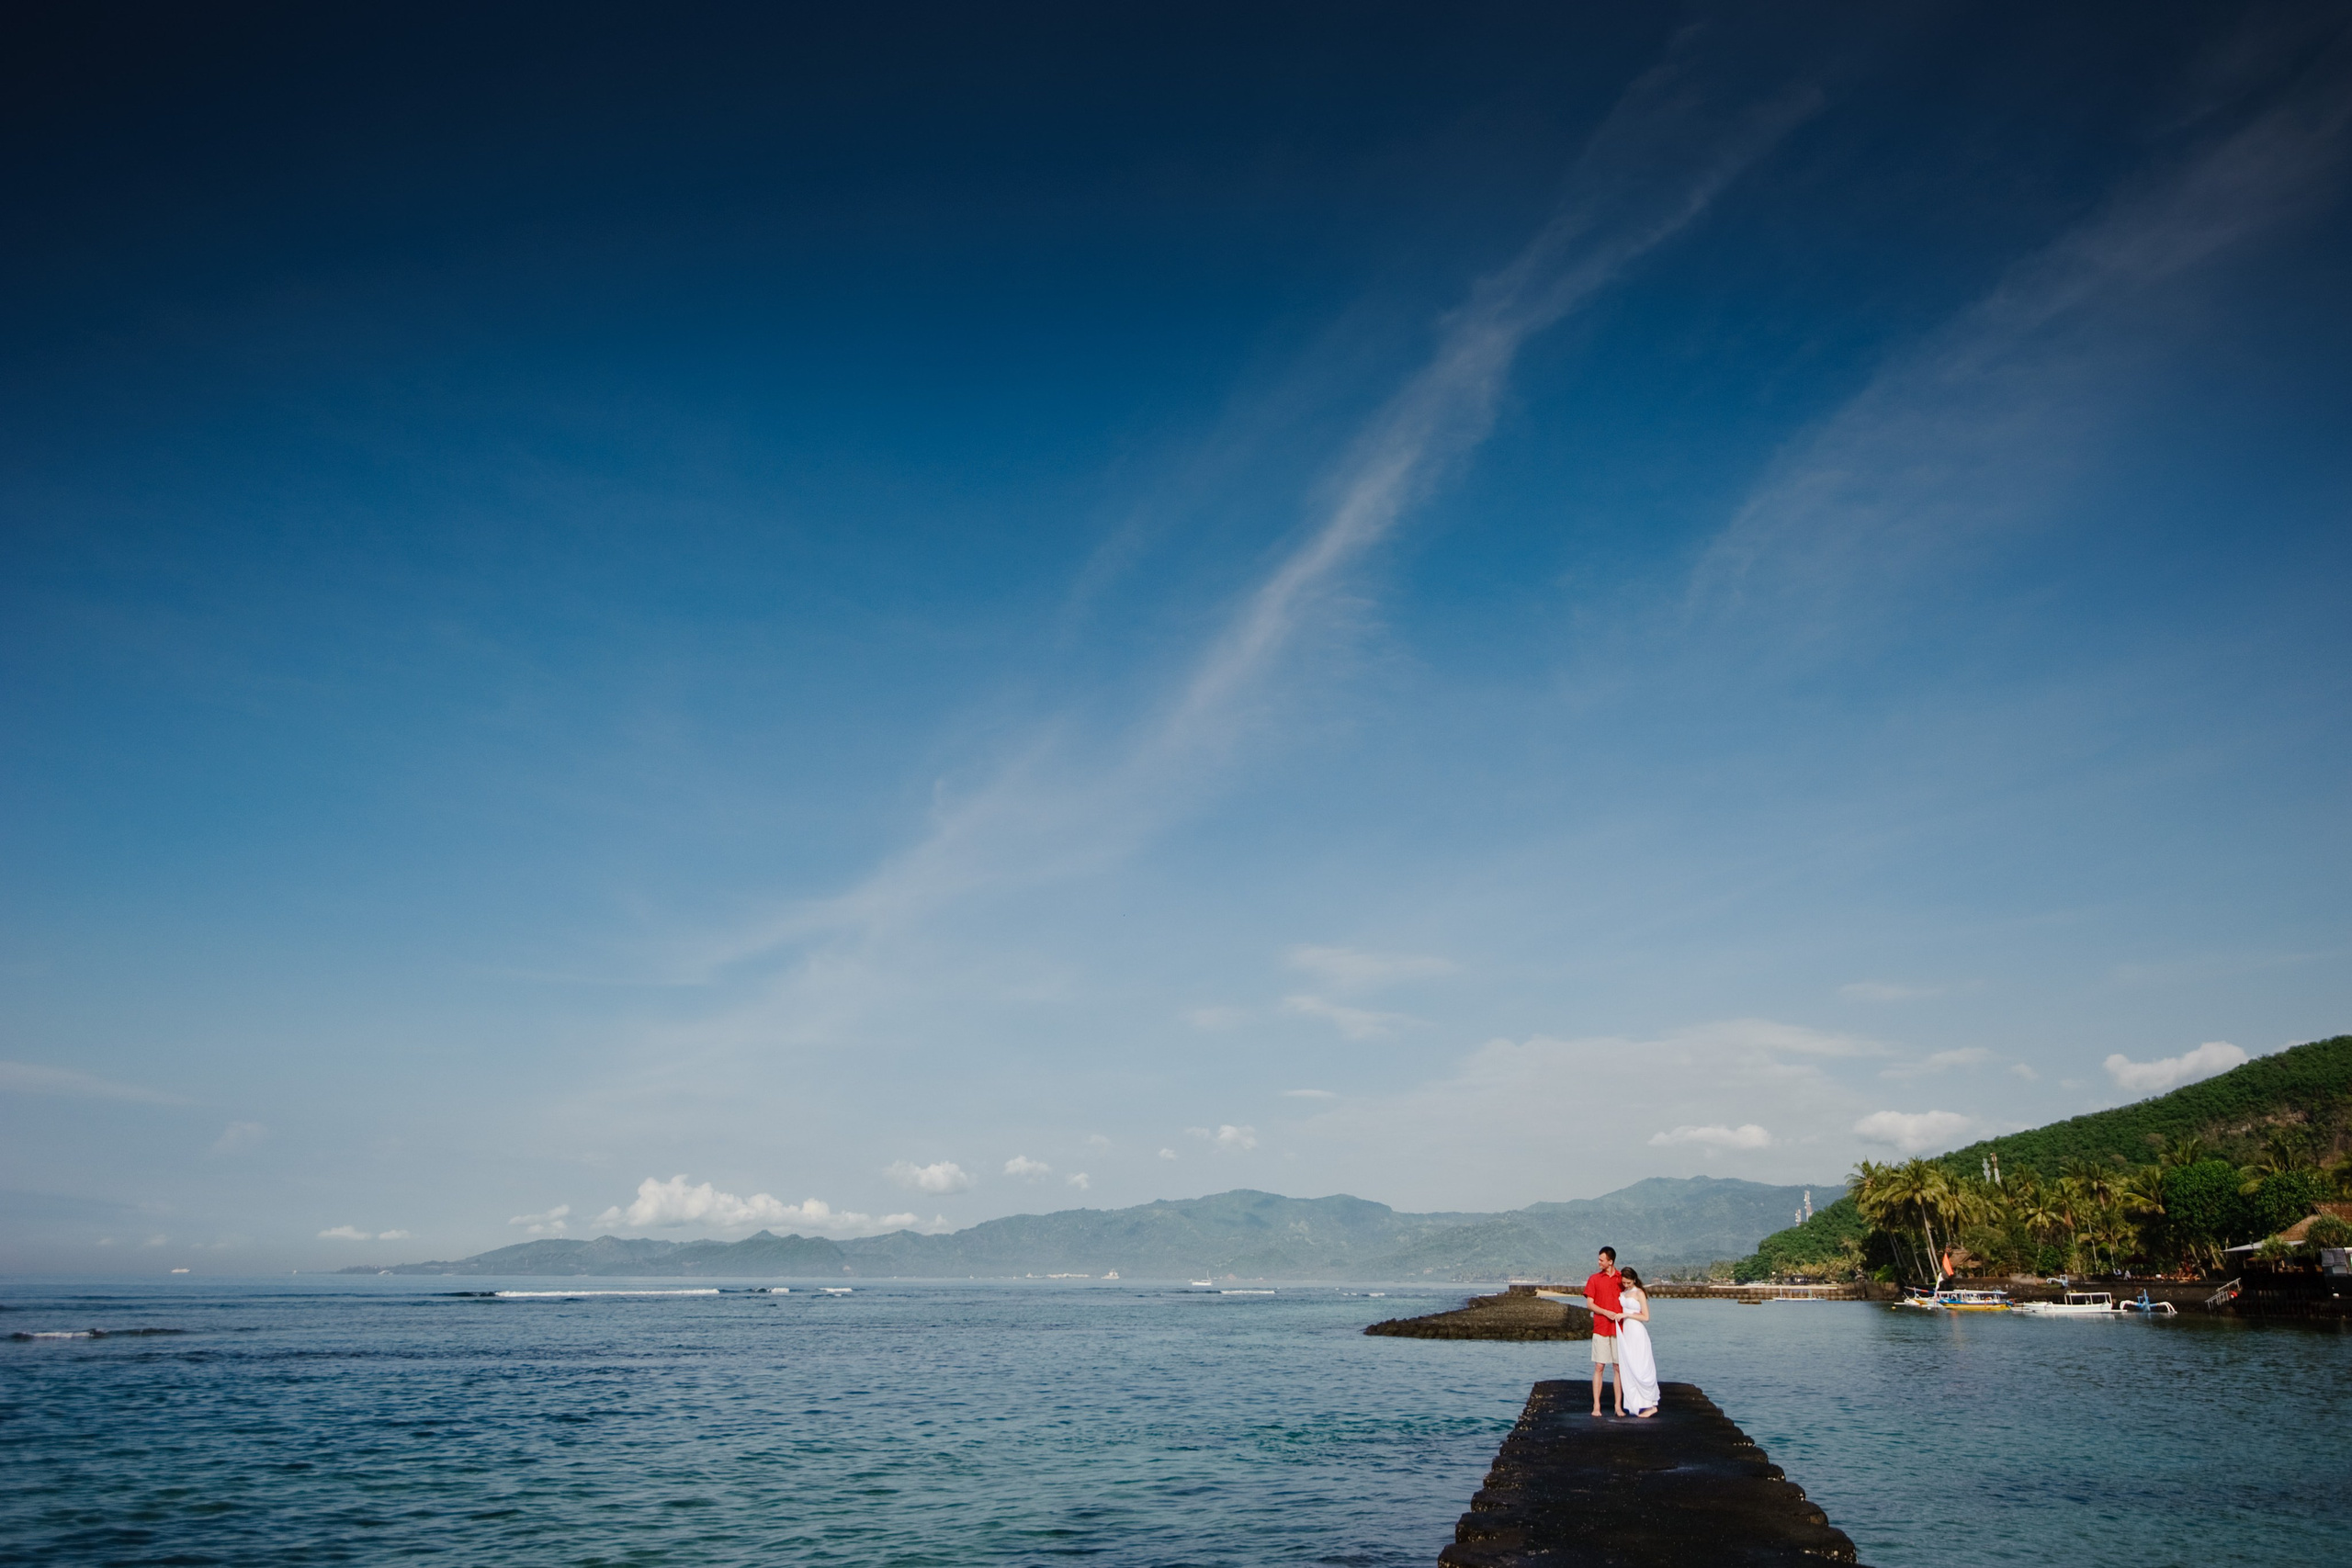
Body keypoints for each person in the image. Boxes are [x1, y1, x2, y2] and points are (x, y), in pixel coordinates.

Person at [1605, 1269, 1659, 1417]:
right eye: (1623, 1283)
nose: (1626, 1285)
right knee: (1630, 1366)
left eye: (1628, 1282)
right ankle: (1637, 1403)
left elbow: (1646, 1317)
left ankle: (1651, 1404)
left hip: (1637, 1331)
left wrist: (1626, 1315)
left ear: (1634, 1279)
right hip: (1627, 1332)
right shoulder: (1624, 1293)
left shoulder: (1639, 1293)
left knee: (1641, 1366)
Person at [1585, 1247, 1623, 1416]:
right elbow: (1590, 1304)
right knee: (1599, 1366)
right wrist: (1605, 1312)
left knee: (1618, 1368)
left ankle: (1618, 1406)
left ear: (1610, 1261)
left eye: (1601, 1260)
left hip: (1619, 1329)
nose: (1599, 1262)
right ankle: (1597, 1406)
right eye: (1599, 1259)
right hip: (1600, 1327)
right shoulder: (1594, 1279)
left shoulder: (1622, 1279)